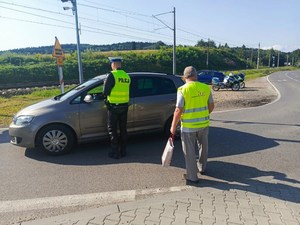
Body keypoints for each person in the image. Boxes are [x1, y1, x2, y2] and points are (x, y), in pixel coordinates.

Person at [170, 66, 214, 183]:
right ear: (196, 76)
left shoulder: (182, 90)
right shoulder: (205, 88)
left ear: (184, 77)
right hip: (204, 124)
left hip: (189, 127)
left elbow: (178, 110)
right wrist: (204, 114)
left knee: (189, 152)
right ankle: (202, 167)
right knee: (203, 147)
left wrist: (173, 126)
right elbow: (211, 106)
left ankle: (192, 177)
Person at [103, 57, 131, 159]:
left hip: (114, 107)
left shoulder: (112, 75)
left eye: (111, 64)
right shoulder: (126, 76)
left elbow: (105, 92)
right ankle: (123, 150)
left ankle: (115, 152)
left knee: (112, 129)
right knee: (123, 129)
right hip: (124, 106)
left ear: (113, 64)